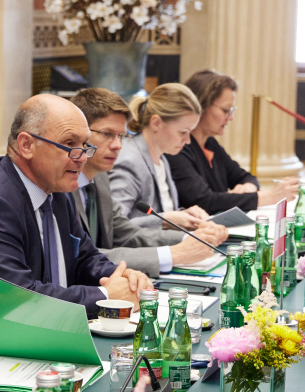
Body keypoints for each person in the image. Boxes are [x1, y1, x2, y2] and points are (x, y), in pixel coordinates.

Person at [0, 94, 152, 318]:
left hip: (44, 328)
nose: (82, 157)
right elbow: (19, 297)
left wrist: (123, 278)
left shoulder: (56, 187)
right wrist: (105, 295)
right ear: (26, 145)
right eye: (70, 144)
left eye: (85, 145)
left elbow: (86, 257)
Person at [69, 88, 229, 277]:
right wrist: (173, 253)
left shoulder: (100, 176)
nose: (117, 145)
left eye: (121, 136)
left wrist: (189, 238)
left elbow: (126, 232)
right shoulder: (62, 186)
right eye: (107, 134)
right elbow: (82, 259)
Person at [167, 69, 298, 213]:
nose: (231, 118)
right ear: (201, 106)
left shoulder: (210, 143)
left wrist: (248, 187)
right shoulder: (178, 147)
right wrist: (269, 196)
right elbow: (204, 201)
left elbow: (245, 176)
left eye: (232, 110)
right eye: (226, 110)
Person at [108, 83, 211, 231]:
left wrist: (183, 214)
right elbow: (114, 227)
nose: (188, 141)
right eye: (183, 132)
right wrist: (166, 220)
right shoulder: (129, 161)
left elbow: (161, 210)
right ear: (156, 123)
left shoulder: (161, 158)